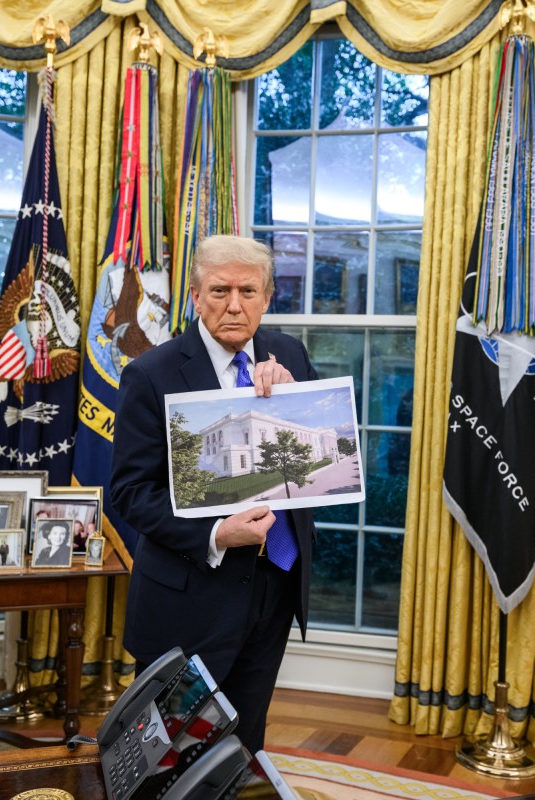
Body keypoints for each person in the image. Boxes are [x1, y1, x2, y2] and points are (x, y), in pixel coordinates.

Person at [111, 235, 317, 754]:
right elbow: (131, 493)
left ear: (267, 298)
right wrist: (216, 534)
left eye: (248, 291)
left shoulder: (290, 355)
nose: (234, 305)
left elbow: (320, 461)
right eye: (220, 290)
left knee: (242, 749)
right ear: (196, 297)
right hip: (189, 595)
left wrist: (295, 402)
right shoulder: (150, 374)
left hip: (275, 584)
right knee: (167, 751)